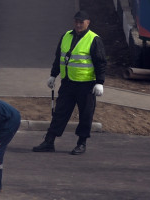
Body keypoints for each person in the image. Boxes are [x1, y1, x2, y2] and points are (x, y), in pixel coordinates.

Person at [32, 10, 106, 155]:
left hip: (86, 85)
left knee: (86, 115)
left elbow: (101, 62)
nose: (78, 25)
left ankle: (81, 143)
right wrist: (53, 75)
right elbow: (58, 57)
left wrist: (100, 82)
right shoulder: (66, 36)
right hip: (68, 83)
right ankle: (49, 141)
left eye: (81, 22)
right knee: (60, 112)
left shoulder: (94, 39)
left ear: (88, 22)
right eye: (76, 22)